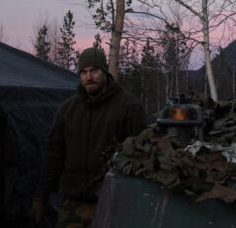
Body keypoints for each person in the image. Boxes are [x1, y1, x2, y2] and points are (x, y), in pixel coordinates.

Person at [31, 47, 149, 227]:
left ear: (104, 72)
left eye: (94, 70)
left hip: (111, 202)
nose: (89, 77)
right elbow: (54, 156)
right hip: (72, 203)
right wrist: (40, 196)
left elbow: (143, 154)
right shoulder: (68, 110)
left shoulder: (127, 105)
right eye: (84, 72)